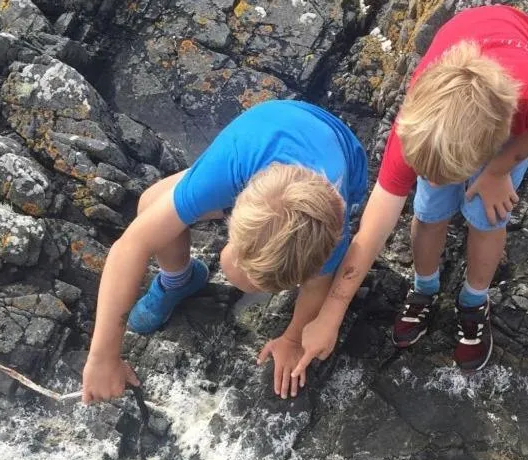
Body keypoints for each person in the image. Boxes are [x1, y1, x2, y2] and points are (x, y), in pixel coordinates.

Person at [291, 5, 528, 376]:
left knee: (486, 215)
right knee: (428, 211)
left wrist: (497, 170)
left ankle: (475, 301)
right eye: (427, 170)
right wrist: (332, 312)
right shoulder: (419, 125)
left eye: (448, 173)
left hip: (510, 84)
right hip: (458, 73)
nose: (438, 179)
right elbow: (373, 231)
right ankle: (424, 287)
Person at [82, 99, 367, 404]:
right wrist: (103, 357)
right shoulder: (226, 167)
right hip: (253, 138)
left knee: (239, 270)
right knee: (151, 204)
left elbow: (318, 283)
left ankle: (222, 272)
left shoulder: (331, 230)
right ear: (236, 208)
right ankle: (178, 279)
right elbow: (131, 245)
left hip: (340, 151)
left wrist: (293, 337)